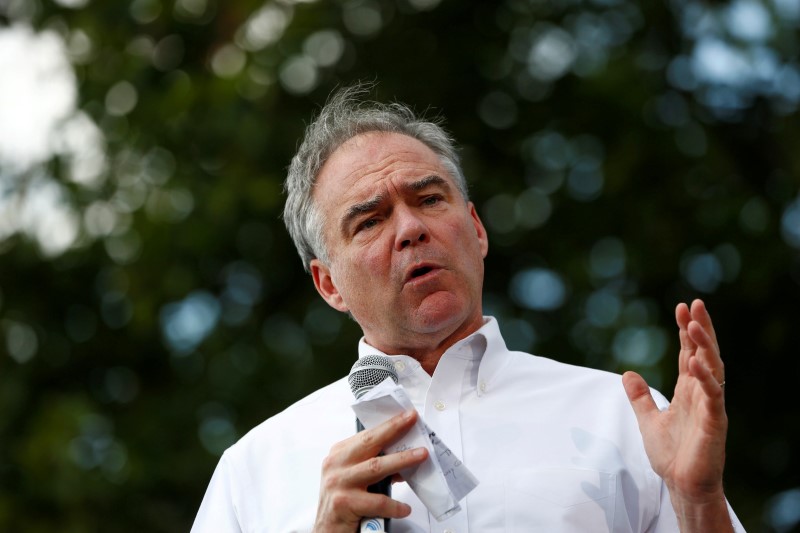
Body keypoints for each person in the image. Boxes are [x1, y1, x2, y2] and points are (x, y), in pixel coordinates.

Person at [191, 85, 745, 532]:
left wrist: (699, 503)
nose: (411, 229)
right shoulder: (254, 471)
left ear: (476, 229)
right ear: (328, 284)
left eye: (430, 199)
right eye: (371, 220)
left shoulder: (626, 417)